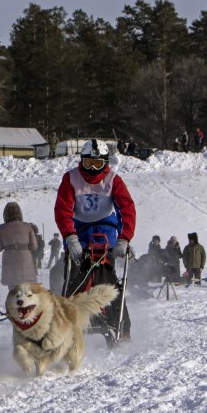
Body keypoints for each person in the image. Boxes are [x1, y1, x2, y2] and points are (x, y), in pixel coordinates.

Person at [54, 139, 136, 343]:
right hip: (79, 232)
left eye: (97, 164)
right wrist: (69, 236)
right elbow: (62, 210)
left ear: (105, 163)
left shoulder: (113, 180)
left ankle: (121, 326)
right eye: (89, 163)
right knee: (75, 280)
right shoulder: (71, 178)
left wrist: (124, 239)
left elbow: (127, 209)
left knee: (108, 282)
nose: (92, 169)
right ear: (82, 161)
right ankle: (66, 324)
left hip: (105, 232)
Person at [0, 202, 38, 287]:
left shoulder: (1, 228)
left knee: (13, 292)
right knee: (28, 293)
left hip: (10, 262)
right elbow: (34, 247)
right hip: (25, 262)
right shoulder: (27, 226)